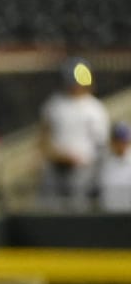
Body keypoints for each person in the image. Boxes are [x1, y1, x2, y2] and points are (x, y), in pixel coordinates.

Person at [38, 57, 110, 212]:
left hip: (83, 171)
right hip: (55, 167)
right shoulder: (53, 104)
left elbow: (101, 146)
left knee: (79, 210)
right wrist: (55, 155)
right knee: (51, 210)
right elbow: (43, 138)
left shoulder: (95, 108)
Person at [97, 121, 131, 214]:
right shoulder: (103, 162)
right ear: (112, 141)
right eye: (117, 140)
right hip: (108, 214)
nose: (120, 144)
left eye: (123, 141)